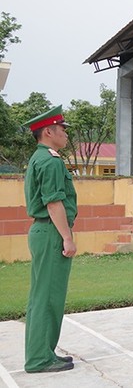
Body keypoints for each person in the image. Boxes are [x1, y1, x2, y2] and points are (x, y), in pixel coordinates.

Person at [23, 105, 78, 373]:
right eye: (62, 130)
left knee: (43, 296)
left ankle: (44, 352)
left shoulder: (40, 158)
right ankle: (40, 359)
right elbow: (54, 203)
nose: (66, 135)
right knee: (48, 297)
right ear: (49, 131)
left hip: (43, 232)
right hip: (51, 233)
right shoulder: (50, 160)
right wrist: (67, 238)